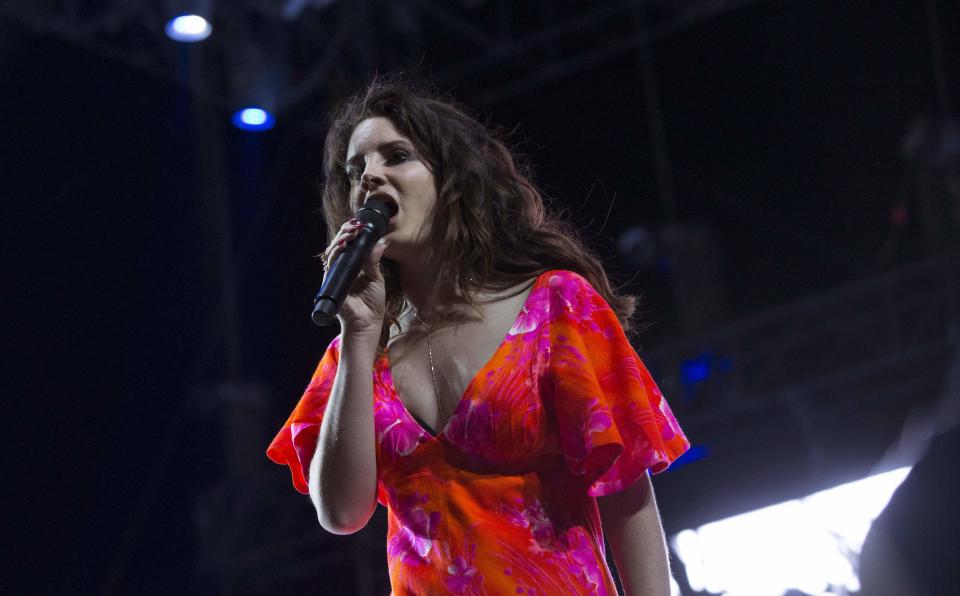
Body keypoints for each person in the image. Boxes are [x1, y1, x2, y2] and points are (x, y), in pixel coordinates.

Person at [267, 75, 690, 595]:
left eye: (396, 156)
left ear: (452, 180)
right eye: (355, 171)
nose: (370, 178)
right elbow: (341, 514)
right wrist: (357, 334)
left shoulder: (555, 306)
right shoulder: (353, 359)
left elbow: (627, 491)